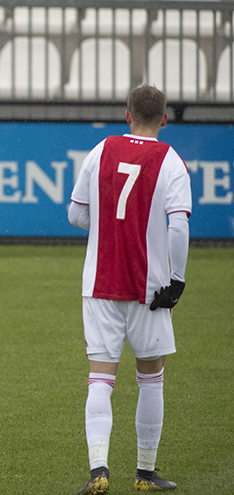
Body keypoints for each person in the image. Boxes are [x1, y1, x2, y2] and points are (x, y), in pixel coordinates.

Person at [68, 84, 191, 493]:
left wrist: (109, 228)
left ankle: (98, 470)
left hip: (100, 283)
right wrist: (177, 279)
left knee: (100, 378)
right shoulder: (170, 160)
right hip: (150, 288)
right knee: (150, 377)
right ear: (165, 119)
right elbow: (178, 226)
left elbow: (76, 214)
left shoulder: (101, 150)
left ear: (127, 115)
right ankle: (145, 472)